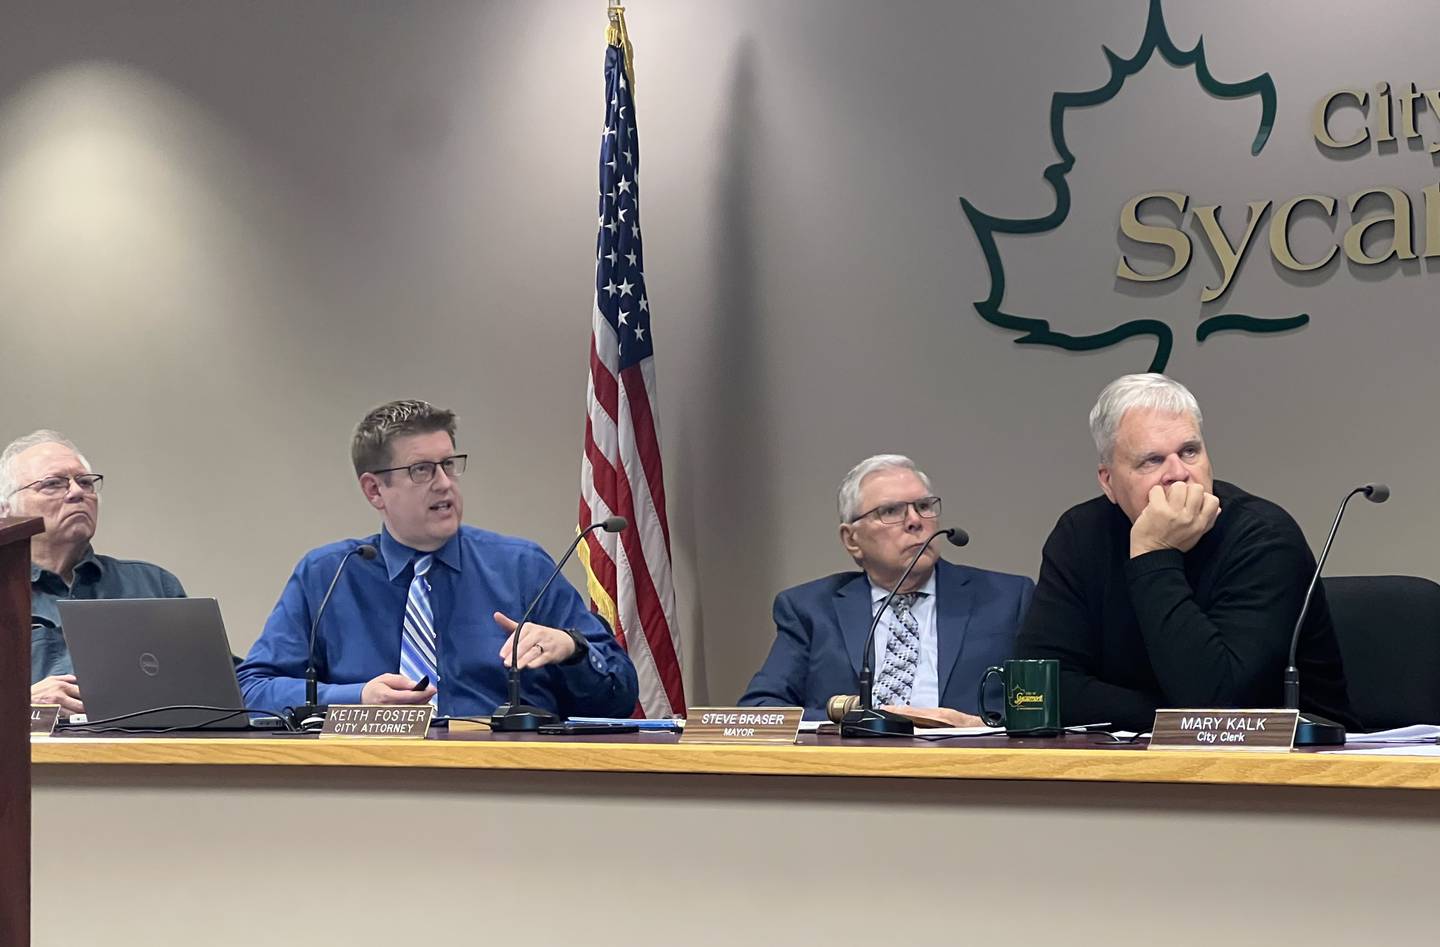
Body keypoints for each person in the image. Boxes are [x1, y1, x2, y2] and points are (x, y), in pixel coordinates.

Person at [237, 400, 638, 718]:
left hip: (507, 784)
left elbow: (619, 696)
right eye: (422, 470)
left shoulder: (521, 567)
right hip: (366, 786)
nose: (444, 483)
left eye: (448, 465)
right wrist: (353, 697)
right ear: (375, 490)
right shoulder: (328, 575)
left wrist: (572, 649)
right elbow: (252, 690)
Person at [1016, 373, 1356, 731]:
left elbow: (1218, 706)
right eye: (1151, 460)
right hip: (1129, 765)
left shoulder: (1264, 537)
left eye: (1189, 451)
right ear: (1108, 481)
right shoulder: (1079, 535)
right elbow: (1040, 690)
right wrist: (1168, 715)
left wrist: (1153, 553)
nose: (1178, 474)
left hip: (1296, 771)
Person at [739, 454, 1034, 724]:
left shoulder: (1006, 599)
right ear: (851, 539)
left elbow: (1043, 708)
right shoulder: (810, 609)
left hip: (968, 769)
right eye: (891, 511)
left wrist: (975, 726)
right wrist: (855, 718)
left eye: (923, 507)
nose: (916, 521)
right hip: (853, 772)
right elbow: (760, 711)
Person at [0, 430, 186, 715]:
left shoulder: (154, 586)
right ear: (5, 510)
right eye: (53, 484)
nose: (77, 492)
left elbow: (217, 688)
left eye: (85, 482)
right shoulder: (6, 591)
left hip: (141, 755)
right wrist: (22, 704)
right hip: (30, 758)